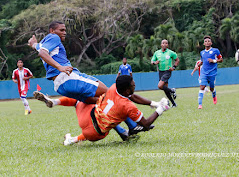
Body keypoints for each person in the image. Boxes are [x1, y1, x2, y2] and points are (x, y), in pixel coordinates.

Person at [28, 21, 160, 140]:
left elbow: (39, 49)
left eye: (65, 30)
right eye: (61, 30)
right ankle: (133, 125)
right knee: (113, 96)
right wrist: (60, 67)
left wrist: (33, 44)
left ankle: (122, 132)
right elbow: (42, 54)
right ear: (52, 31)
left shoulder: (44, 43)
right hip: (69, 77)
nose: (64, 32)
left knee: (103, 103)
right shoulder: (54, 38)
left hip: (59, 86)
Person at [34, 75, 170, 145]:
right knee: (113, 116)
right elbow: (146, 124)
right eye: (133, 85)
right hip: (96, 135)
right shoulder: (128, 106)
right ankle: (126, 131)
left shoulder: (112, 88)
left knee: (82, 100)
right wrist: (160, 109)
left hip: (87, 118)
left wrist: (153, 103)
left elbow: (132, 96)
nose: (135, 85)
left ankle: (56, 102)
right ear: (128, 89)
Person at [151, 39, 180, 107]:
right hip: (160, 71)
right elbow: (152, 61)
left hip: (167, 71)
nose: (164, 44)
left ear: (167, 45)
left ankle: (172, 90)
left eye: (166, 43)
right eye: (163, 43)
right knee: (165, 89)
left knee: (160, 86)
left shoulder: (170, 52)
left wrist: (174, 67)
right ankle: (174, 103)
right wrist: (155, 62)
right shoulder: (157, 53)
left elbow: (177, 60)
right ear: (161, 45)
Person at [196, 35, 223, 109]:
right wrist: (198, 65)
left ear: (211, 43)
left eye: (208, 41)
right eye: (205, 41)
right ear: (204, 43)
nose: (207, 42)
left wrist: (214, 61)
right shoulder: (202, 52)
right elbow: (202, 61)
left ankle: (214, 94)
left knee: (211, 88)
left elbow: (221, 59)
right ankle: (200, 105)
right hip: (204, 72)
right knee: (202, 86)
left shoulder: (215, 50)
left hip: (212, 72)